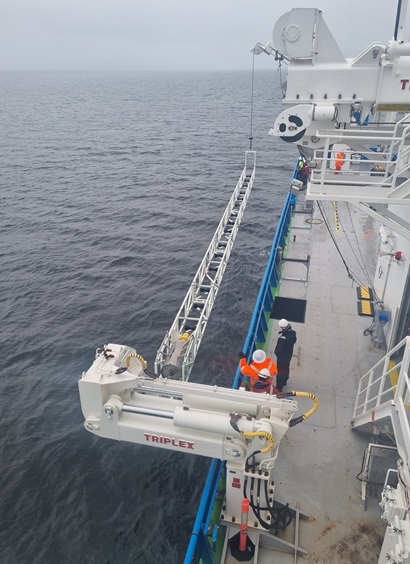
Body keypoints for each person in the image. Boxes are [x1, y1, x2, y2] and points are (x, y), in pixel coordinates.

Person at [274, 319, 297, 392]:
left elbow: (279, 351)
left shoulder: (283, 338)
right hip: (288, 356)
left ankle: (279, 387)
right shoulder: (293, 333)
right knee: (286, 368)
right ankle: (285, 380)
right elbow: (294, 340)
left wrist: (276, 352)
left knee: (280, 372)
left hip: (282, 359)